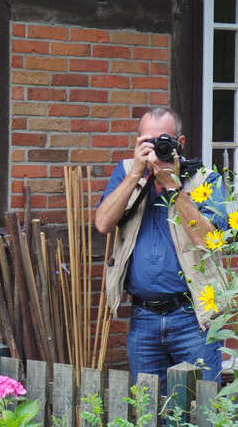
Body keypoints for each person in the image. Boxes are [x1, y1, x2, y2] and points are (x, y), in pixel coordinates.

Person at [95, 106, 227, 394]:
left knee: (201, 410)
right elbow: (103, 224)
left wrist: (173, 187)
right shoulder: (126, 174)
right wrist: (135, 176)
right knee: (149, 414)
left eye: (162, 141)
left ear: (179, 143)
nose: (156, 149)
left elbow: (208, 240)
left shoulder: (204, 179)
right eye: (147, 142)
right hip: (144, 318)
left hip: (193, 318)